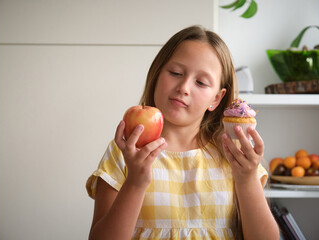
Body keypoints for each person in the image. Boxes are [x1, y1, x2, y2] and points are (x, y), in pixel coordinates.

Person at [86, 25, 279, 240]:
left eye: (201, 82)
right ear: (157, 74)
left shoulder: (234, 156)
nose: (184, 87)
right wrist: (135, 182)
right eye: (176, 73)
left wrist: (247, 179)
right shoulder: (125, 151)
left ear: (216, 99)